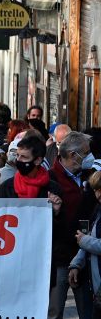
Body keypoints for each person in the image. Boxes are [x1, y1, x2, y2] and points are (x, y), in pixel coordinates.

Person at [47, 132, 97, 319]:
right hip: (59, 258)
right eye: (86, 152)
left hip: (85, 255)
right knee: (54, 311)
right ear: (72, 155)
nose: (89, 156)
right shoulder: (50, 179)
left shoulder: (90, 177)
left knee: (88, 311)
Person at [69, 170, 101, 317]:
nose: (98, 195)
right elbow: (88, 238)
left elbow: (86, 240)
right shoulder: (97, 210)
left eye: (100, 189)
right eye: (95, 190)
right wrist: (76, 264)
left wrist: (84, 240)